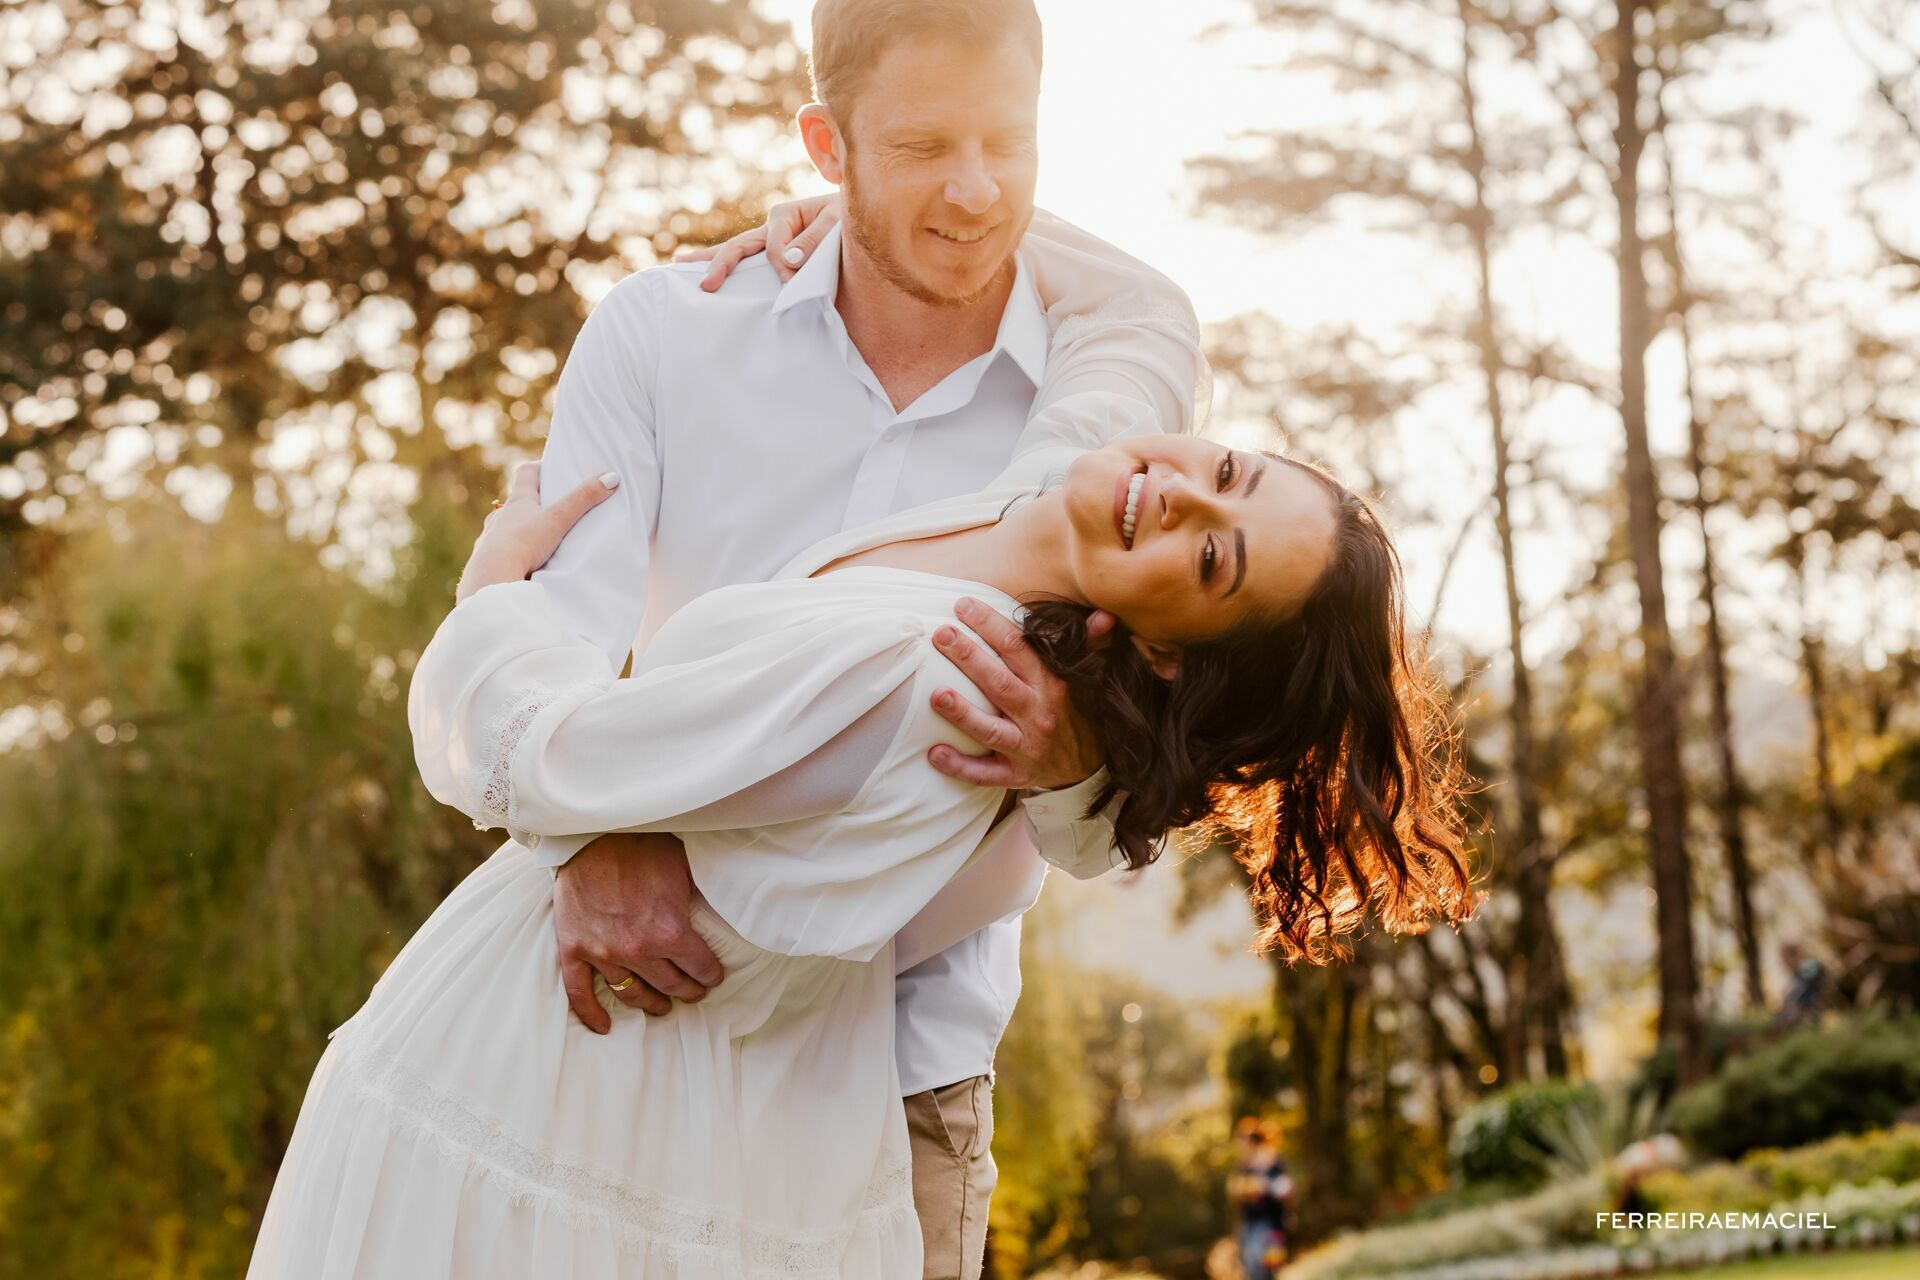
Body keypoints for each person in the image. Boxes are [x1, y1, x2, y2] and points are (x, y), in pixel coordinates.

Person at [247, 409, 1474, 1275]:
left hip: (552, 1077)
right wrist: (810, 211)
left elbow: (544, 751)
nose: (1184, 488)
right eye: (1231, 466)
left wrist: (494, 596)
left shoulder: (939, 674)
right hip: (579, 1083)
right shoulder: (1023, 544)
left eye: (1211, 557)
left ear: (1166, 648)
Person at [467, 4, 1217, 1275]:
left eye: (1008, 141)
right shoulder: (662, 333)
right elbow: (549, 635)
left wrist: (1070, 760)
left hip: (904, 1079)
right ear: (826, 145)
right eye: (922, 145)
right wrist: (585, 832)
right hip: (640, 1030)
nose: (976, 193)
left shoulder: (1109, 418)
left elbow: (1113, 830)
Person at [1230, 1119, 1294, 1279]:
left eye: (1242, 1140)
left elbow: (1285, 1189)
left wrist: (1265, 1187)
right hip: (1249, 1222)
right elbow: (1237, 1193)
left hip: (1270, 1222)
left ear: (1252, 1141)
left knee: (1267, 1266)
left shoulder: (1273, 1162)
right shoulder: (1244, 1165)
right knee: (1250, 1267)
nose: (1240, 1145)